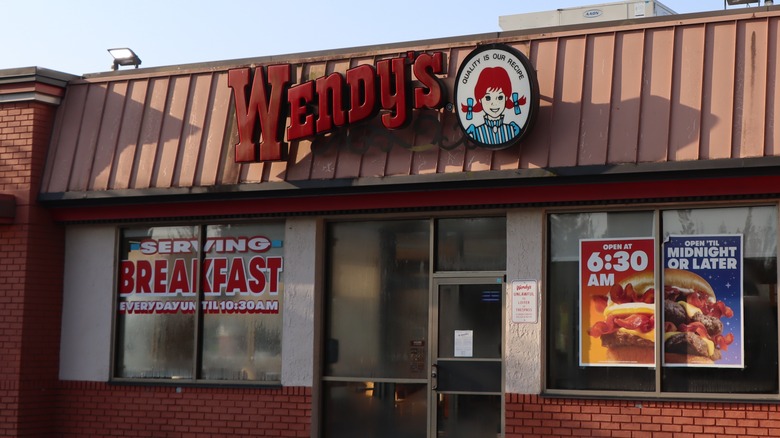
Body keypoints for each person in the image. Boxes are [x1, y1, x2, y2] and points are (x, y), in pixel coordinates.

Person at [461, 67, 525, 145]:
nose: (494, 103)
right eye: (488, 98)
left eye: (500, 97)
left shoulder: (513, 129)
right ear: (480, 99)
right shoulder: (474, 132)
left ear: (506, 98)